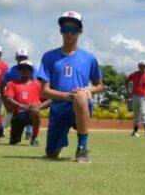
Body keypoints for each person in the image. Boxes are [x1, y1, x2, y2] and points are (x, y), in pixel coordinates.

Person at [37, 11, 104, 163]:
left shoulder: (89, 58)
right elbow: (44, 90)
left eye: (73, 29)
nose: (69, 33)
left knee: (80, 98)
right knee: (51, 154)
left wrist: (88, 90)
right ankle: (55, 145)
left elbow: (99, 86)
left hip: (81, 105)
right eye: (65, 29)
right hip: (58, 108)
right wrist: (68, 96)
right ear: (60, 31)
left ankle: (82, 148)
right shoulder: (49, 57)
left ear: (80, 32)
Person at [3, 61, 50, 146]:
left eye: (27, 68)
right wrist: (21, 105)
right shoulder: (12, 83)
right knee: (14, 141)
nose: (24, 70)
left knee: (35, 112)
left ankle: (34, 138)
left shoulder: (37, 85)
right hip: (19, 113)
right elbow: (8, 97)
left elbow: (49, 100)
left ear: (31, 71)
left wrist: (38, 107)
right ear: (19, 71)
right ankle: (15, 137)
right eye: (22, 68)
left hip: (32, 113)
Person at [1, 48, 34, 139]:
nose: (22, 59)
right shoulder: (10, 71)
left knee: (30, 112)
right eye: (20, 57)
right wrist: (6, 103)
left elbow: (35, 84)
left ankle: (29, 131)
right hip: (13, 99)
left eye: (24, 57)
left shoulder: (32, 69)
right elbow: (2, 86)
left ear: (27, 58)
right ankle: (2, 129)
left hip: (27, 97)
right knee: (9, 117)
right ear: (16, 58)